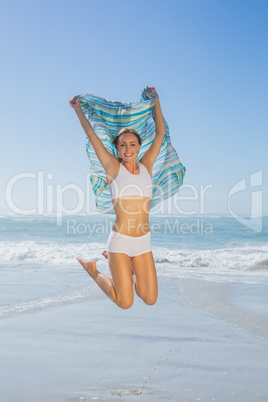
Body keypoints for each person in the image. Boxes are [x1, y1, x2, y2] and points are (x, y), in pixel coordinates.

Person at [69, 87, 166, 309]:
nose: (128, 148)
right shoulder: (113, 167)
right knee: (125, 302)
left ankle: (127, 269)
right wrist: (77, 110)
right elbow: (92, 135)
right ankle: (93, 270)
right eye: (123, 144)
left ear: (139, 146)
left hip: (143, 242)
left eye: (132, 144)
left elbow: (160, 134)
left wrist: (156, 102)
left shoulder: (146, 166)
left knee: (149, 298)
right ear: (117, 148)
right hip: (120, 241)